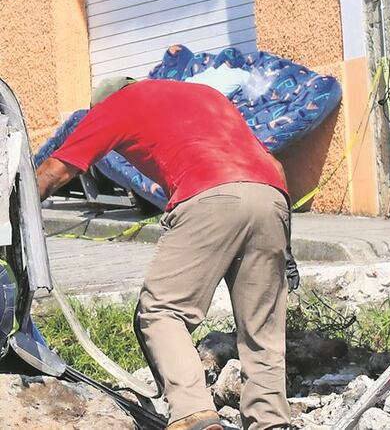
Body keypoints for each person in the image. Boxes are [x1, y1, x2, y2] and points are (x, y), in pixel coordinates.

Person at [35, 77, 291, 430]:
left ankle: (194, 414)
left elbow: (53, 172)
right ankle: (270, 421)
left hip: (209, 197)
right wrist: (284, 244)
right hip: (271, 197)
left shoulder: (116, 105)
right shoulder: (207, 95)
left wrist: (9, 215)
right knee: (262, 326)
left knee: (161, 310)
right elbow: (275, 165)